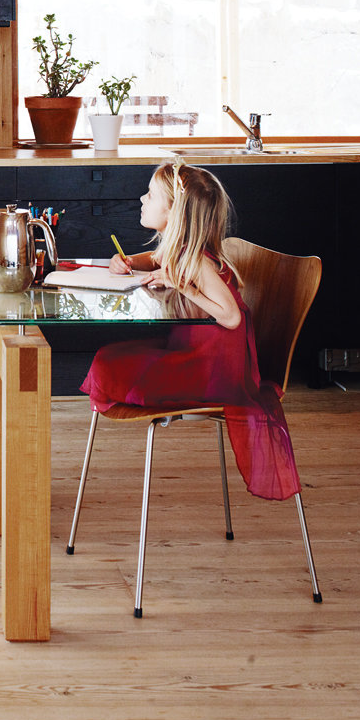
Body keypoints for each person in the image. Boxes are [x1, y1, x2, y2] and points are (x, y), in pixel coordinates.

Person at [82, 161, 301, 501]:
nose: (142, 199)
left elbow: (231, 317)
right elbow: (155, 259)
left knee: (107, 365)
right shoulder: (179, 249)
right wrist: (126, 261)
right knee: (107, 358)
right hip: (195, 355)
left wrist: (183, 288)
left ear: (174, 212)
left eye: (151, 195)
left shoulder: (197, 261)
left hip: (210, 371)